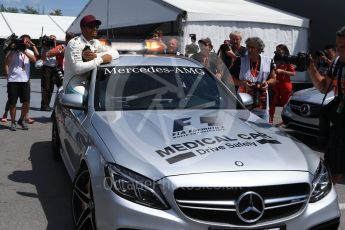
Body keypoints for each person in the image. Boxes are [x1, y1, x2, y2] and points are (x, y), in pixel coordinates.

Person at [307, 26, 345, 184]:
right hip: (341, 122)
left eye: (343, 47)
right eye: (338, 46)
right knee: (332, 167)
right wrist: (311, 67)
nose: (339, 50)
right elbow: (324, 86)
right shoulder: (337, 62)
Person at [63, 15, 119, 95]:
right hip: (73, 84)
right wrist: (101, 59)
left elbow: (115, 52)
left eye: (96, 26)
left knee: (107, 98)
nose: (95, 29)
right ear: (82, 28)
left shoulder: (96, 42)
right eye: (91, 26)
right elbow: (78, 69)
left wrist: (96, 56)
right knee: (88, 99)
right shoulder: (74, 43)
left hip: (90, 83)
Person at [230, 37, 276, 122]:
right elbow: (229, 78)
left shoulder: (268, 61)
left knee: (262, 131)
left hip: (262, 104)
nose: (249, 50)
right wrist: (242, 83)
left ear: (259, 49)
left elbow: (274, 79)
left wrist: (267, 83)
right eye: (248, 47)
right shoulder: (240, 61)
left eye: (252, 48)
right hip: (244, 104)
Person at [5, 34, 37, 131]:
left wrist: (24, 51)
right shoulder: (12, 51)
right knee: (12, 103)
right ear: (21, 41)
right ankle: (13, 122)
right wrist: (8, 76)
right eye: (25, 41)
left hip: (25, 81)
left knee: (26, 102)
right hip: (13, 81)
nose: (27, 43)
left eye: (28, 42)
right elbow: (6, 62)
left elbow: (34, 59)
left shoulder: (29, 51)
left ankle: (21, 120)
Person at [269, 44, 296, 125]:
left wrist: (282, 71)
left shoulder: (287, 59)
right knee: (272, 102)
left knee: (285, 104)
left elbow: (293, 73)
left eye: (279, 50)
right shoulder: (276, 58)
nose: (277, 52)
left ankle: (285, 121)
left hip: (285, 84)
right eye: (276, 50)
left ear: (284, 51)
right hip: (276, 83)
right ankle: (270, 120)